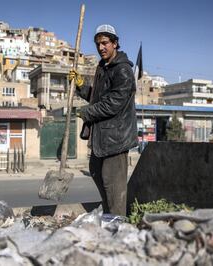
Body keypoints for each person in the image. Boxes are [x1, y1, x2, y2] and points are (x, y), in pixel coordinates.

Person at [69, 24, 138, 216]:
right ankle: (110, 217)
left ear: (115, 43)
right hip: (102, 138)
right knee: (96, 172)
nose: (101, 48)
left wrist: (86, 112)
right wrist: (81, 85)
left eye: (105, 43)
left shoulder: (123, 71)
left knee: (114, 188)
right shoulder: (103, 67)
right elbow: (97, 98)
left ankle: (118, 225)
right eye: (98, 44)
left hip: (116, 139)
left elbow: (112, 104)